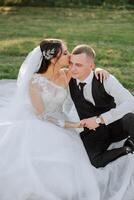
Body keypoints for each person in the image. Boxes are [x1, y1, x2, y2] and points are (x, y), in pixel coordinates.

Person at [0, 39, 134, 200]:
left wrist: (99, 69)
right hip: (44, 122)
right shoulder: (37, 82)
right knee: (78, 160)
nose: (69, 55)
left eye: (67, 51)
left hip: (80, 120)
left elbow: (87, 71)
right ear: (53, 58)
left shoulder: (68, 74)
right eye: (65, 53)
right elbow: (44, 115)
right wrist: (72, 124)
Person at [69, 44, 134, 168]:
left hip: (114, 125)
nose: (73, 69)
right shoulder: (68, 81)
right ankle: (127, 149)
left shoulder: (105, 79)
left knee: (130, 118)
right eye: (71, 63)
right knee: (94, 160)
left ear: (91, 66)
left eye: (78, 65)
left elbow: (131, 102)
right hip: (93, 132)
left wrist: (100, 120)